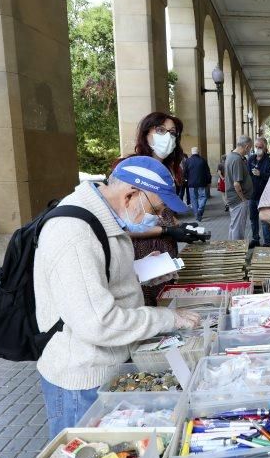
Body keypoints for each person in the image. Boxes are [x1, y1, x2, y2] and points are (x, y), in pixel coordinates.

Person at [34, 156, 202, 438]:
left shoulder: (104, 216)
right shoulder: (74, 233)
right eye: (157, 210)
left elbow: (98, 279)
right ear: (131, 195)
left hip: (105, 366)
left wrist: (141, 272)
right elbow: (98, 322)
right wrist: (166, 318)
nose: (156, 218)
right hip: (83, 378)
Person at [112, 112, 204, 305]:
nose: (168, 137)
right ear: (146, 133)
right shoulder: (131, 169)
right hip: (141, 253)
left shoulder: (170, 170)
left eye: (172, 133)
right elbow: (121, 226)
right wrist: (167, 230)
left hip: (164, 253)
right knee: (145, 302)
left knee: (165, 302)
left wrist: (183, 228)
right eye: (160, 130)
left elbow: (167, 213)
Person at [248, 137, 270, 247]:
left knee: (265, 220)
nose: (258, 149)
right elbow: (247, 174)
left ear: (265, 148)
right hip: (252, 194)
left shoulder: (268, 161)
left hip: (264, 196)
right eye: (256, 147)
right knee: (253, 218)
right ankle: (255, 239)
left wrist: (261, 174)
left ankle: (267, 242)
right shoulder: (251, 159)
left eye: (260, 147)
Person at [225, 136, 254, 240]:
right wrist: (243, 199)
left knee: (234, 226)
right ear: (246, 146)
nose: (249, 150)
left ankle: (232, 250)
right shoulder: (237, 159)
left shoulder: (231, 156)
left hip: (233, 198)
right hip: (238, 200)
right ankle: (237, 252)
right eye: (250, 147)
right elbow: (237, 184)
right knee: (238, 229)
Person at [183, 146, 211, 221]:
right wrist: (209, 181)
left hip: (191, 183)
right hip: (202, 183)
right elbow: (207, 172)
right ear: (198, 152)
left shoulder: (188, 161)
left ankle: (196, 214)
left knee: (193, 199)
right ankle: (200, 210)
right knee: (203, 197)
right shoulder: (203, 160)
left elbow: (185, 172)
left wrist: (186, 179)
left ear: (191, 153)